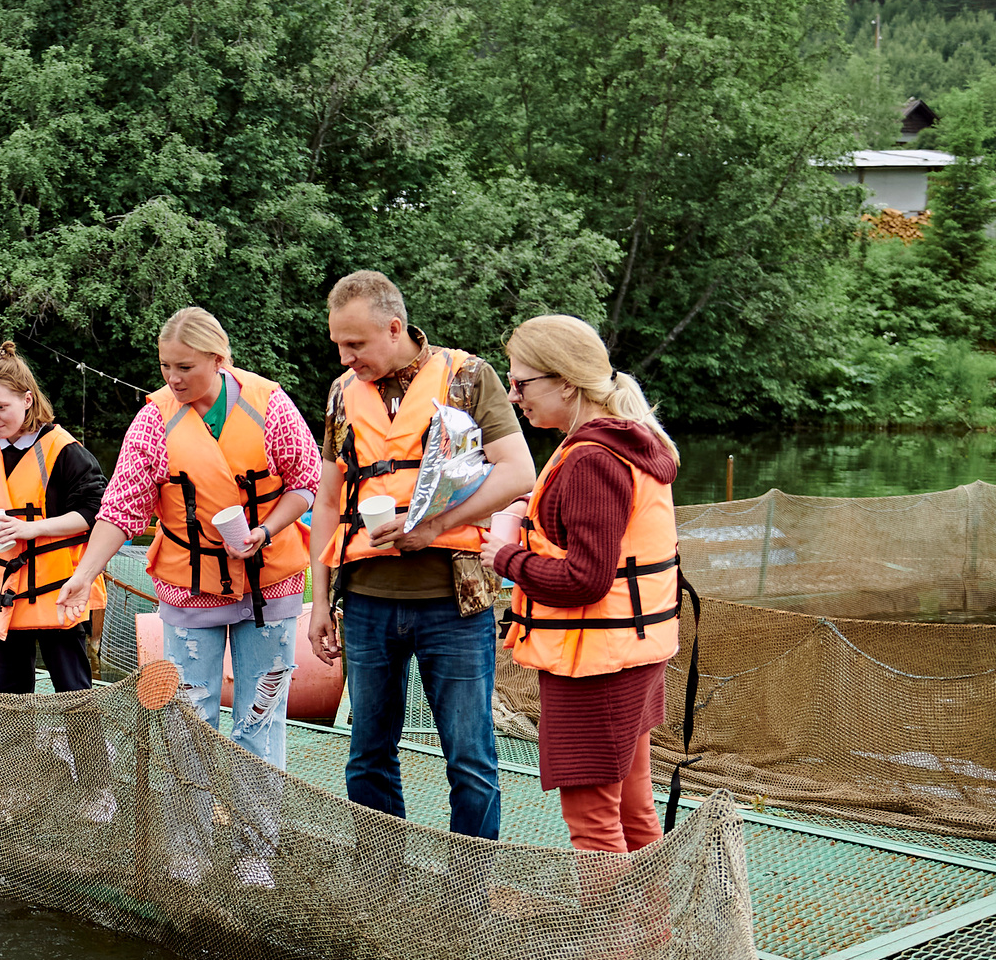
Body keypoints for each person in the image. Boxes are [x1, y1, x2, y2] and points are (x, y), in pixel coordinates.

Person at [306, 272, 535, 840]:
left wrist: (434, 527)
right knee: (368, 755)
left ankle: (468, 885)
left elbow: (517, 472)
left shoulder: (468, 377)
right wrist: (320, 604)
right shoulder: (341, 393)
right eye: (338, 344)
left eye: (355, 343)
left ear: (394, 328)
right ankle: (383, 877)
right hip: (366, 603)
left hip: (454, 604)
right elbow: (328, 502)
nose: (345, 356)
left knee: (470, 759)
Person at [56, 307, 319, 775]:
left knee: (260, 721)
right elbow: (120, 509)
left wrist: (264, 530)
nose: (172, 379)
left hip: (269, 583)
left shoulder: (270, 405)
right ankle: (190, 824)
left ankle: (255, 824)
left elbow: (306, 481)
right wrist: (84, 574)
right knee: (188, 722)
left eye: (185, 367)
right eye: (165, 366)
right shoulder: (153, 421)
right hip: (189, 586)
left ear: (218, 360)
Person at [480, 313, 681, 856]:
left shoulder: (591, 459)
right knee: (634, 810)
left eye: (521, 383)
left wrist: (505, 558)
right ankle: (652, 912)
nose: (514, 396)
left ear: (566, 382)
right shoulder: (624, 441)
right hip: (632, 655)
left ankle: (607, 918)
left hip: (594, 667)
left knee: (593, 824)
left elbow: (585, 580)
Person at [0, 341, 116, 821]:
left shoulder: (66, 452)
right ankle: (17, 786)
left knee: (75, 694)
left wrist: (30, 529)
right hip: (2, 598)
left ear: (26, 399)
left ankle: (97, 790)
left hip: (57, 595)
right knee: (11, 697)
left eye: (1, 407)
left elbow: (96, 511)